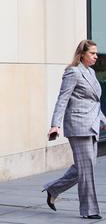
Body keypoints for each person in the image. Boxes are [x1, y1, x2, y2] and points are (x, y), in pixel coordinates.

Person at [43, 39, 106, 220]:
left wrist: (103, 119)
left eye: (96, 53)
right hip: (78, 125)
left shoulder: (91, 72)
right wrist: (55, 124)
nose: (96, 56)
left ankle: (53, 189)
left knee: (85, 167)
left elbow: (93, 102)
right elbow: (62, 99)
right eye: (92, 53)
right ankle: (90, 210)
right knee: (86, 170)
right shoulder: (73, 72)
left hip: (92, 125)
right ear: (82, 54)